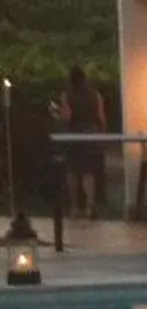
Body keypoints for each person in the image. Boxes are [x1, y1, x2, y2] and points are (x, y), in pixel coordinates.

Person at [52, 65, 107, 219]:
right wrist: (102, 132)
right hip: (91, 133)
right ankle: (90, 204)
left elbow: (67, 117)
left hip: (73, 135)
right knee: (88, 171)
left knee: (73, 171)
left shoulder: (66, 95)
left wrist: (57, 115)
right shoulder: (95, 95)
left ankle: (75, 207)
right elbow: (101, 117)